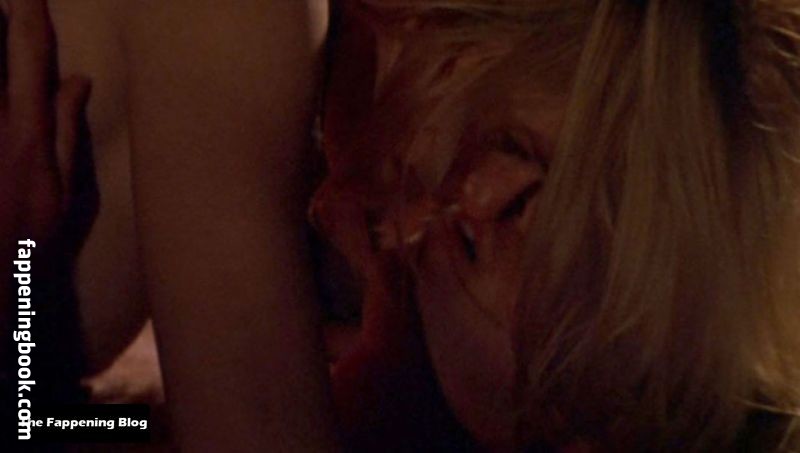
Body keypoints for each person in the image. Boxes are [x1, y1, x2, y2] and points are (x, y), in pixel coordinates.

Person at [3, 0, 800, 451]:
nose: (395, 222)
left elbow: (49, 416)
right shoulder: (250, 28)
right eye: (449, 246)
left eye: (413, 265)